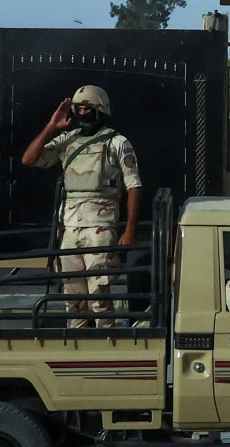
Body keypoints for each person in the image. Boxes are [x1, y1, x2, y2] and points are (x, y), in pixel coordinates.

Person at [21, 84, 142, 327]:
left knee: (99, 296)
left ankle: (106, 346)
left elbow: (134, 186)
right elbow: (29, 159)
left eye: (87, 108)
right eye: (78, 109)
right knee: (73, 300)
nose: (82, 113)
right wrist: (51, 127)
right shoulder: (67, 140)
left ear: (100, 109)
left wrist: (129, 230)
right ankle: (79, 349)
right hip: (69, 228)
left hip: (101, 227)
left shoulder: (117, 143)